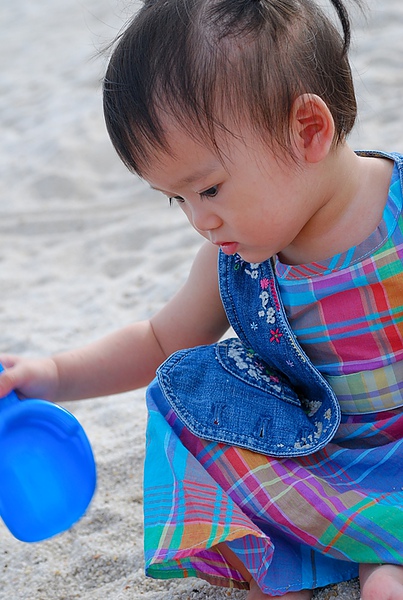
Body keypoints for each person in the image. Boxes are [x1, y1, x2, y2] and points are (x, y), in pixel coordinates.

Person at [1, 0, 403, 597]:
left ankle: (378, 554)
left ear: (308, 131)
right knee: (185, 388)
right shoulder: (238, 260)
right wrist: (54, 374)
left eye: (209, 188)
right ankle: (360, 549)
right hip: (330, 463)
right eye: (178, 200)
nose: (201, 220)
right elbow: (159, 340)